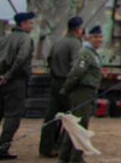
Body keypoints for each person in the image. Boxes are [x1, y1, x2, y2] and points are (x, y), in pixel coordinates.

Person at [0, 11, 35, 159]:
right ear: (23, 24)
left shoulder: (3, 39)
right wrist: (8, 76)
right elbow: (21, 59)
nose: (32, 26)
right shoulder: (25, 39)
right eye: (30, 23)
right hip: (16, 82)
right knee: (12, 117)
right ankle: (3, 149)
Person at [39, 17, 84, 158]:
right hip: (67, 83)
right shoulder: (75, 44)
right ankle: (61, 148)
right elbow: (75, 66)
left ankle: (45, 148)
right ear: (78, 29)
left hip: (55, 82)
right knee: (71, 118)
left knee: (51, 117)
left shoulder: (58, 42)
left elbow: (49, 60)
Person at [57, 26, 103, 163]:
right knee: (79, 126)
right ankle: (75, 158)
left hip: (88, 91)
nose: (99, 40)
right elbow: (76, 73)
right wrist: (66, 89)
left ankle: (66, 156)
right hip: (82, 91)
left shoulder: (93, 53)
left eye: (100, 37)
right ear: (89, 38)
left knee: (75, 125)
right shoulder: (86, 53)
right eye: (96, 37)